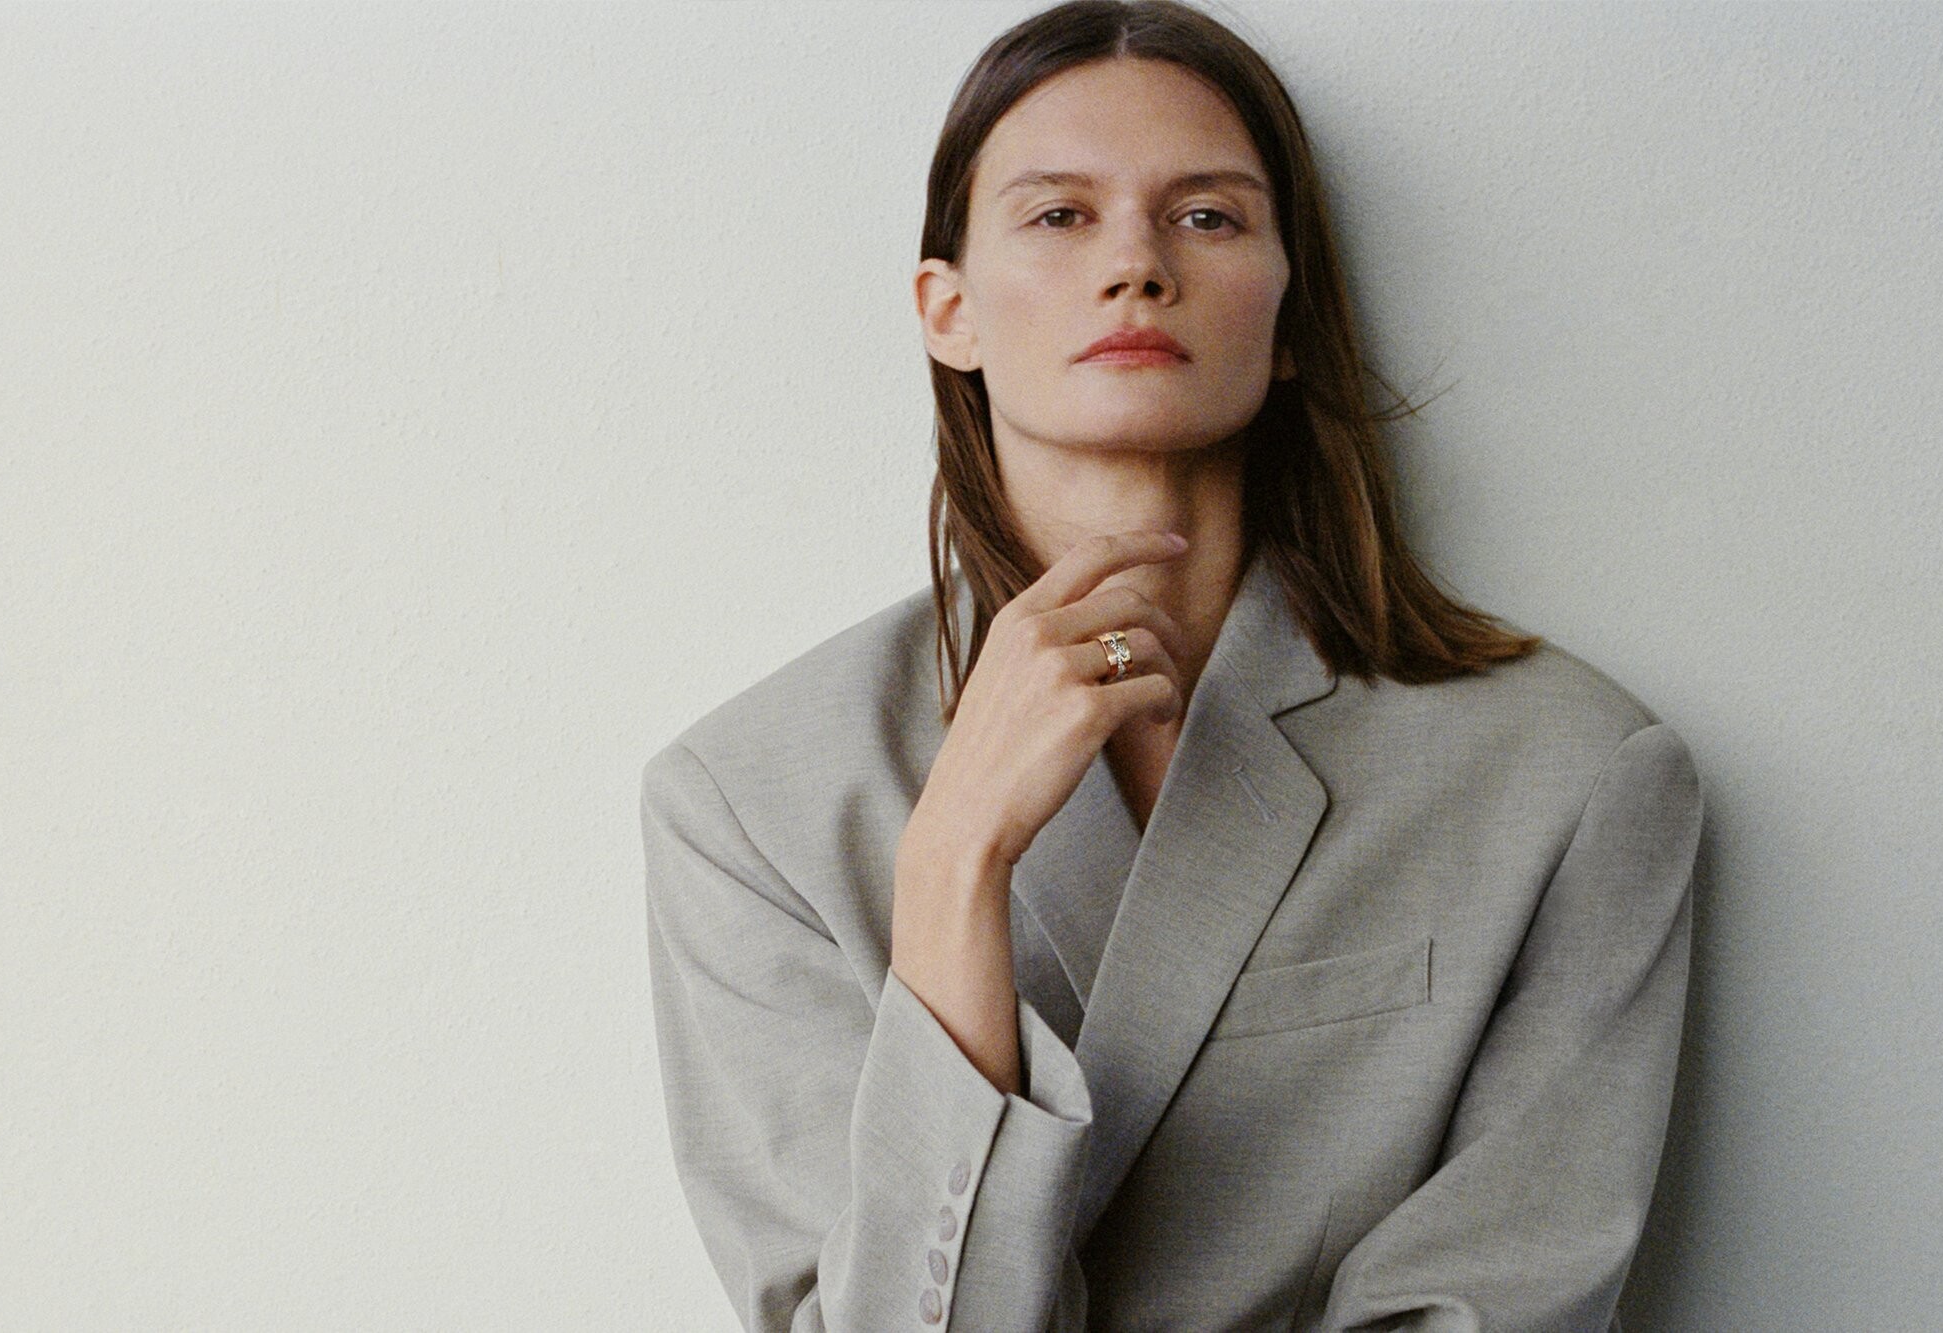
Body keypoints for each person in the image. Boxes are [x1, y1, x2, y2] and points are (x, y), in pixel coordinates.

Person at [640, 1, 1703, 1328]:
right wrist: (952, 864)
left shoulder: (1569, 772)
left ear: (1294, 313)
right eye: (1059, 215)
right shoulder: (746, 802)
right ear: (948, 311)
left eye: (1206, 216)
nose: (1136, 265)